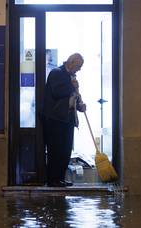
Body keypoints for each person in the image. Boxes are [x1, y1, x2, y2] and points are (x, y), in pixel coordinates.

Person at [43, 53, 86, 187]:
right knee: (55, 150)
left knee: (65, 150)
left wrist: (80, 106)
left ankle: (60, 178)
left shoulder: (71, 78)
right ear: (71, 62)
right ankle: (52, 179)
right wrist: (72, 86)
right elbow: (57, 92)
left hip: (68, 119)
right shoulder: (56, 73)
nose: (79, 69)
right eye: (78, 66)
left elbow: (74, 96)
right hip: (55, 119)